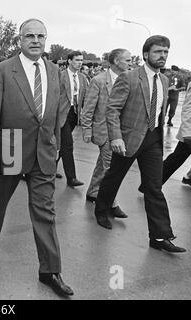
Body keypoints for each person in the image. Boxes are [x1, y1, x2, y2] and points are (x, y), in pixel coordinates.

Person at [0, 18, 73, 297]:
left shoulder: (55, 70)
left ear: (46, 40)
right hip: (10, 148)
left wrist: (54, 138)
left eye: (41, 36)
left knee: (45, 212)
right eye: (30, 36)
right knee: (1, 196)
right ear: (20, 40)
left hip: (43, 152)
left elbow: (61, 106)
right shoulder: (2, 70)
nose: (36, 40)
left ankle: (50, 271)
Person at [93, 35, 186, 253]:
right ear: (146, 54)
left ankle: (160, 236)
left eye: (166, 52)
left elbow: (159, 113)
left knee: (154, 187)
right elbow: (112, 109)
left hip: (153, 141)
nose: (162, 56)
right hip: (128, 139)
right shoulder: (129, 77)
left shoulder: (164, 80)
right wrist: (115, 136)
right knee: (114, 177)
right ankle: (101, 209)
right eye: (158, 52)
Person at [80, 48, 132, 220]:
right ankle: (112, 203)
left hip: (119, 131)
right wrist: (87, 130)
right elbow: (88, 108)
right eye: (127, 60)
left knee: (103, 165)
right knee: (111, 169)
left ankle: (93, 192)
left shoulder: (129, 80)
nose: (130, 63)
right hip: (104, 130)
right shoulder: (99, 80)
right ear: (116, 61)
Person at [57, 51, 88, 187]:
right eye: (77, 60)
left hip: (74, 114)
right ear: (69, 61)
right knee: (68, 145)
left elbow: (86, 96)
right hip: (62, 114)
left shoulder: (82, 78)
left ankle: (49, 169)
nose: (80, 63)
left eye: (81, 60)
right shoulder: (60, 75)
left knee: (63, 145)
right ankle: (71, 178)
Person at [160, 84, 191, 184]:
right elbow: (188, 108)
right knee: (177, 158)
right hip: (190, 133)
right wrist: (187, 131)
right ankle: (152, 184)